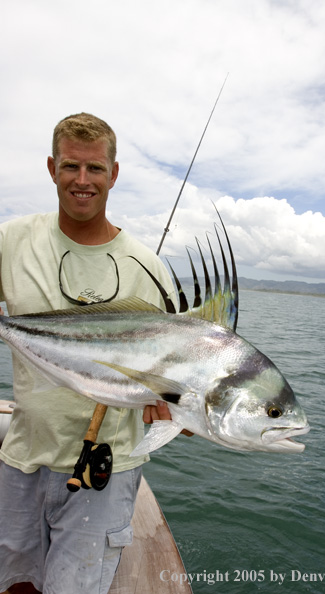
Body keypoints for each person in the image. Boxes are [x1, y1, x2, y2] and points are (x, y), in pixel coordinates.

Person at [0, 113, 179, 594]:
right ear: (51, 168)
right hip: (22, 452)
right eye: (70, 167)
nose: (83, 181)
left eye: (95, 169)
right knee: (15, 582)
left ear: (114, 174)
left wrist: (163, 407)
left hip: (105, 466)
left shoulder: (149, 267)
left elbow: (165, 377)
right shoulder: (12, 239)